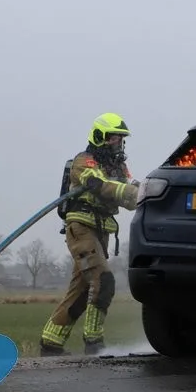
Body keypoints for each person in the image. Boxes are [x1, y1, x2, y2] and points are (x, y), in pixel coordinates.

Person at [39, 112, 141, 357]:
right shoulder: (84, 161)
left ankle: (51, 343)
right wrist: (136, 193)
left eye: (121, 138)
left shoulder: (119, 167)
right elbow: (100, 185)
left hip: (102, 231)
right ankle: (94, 343)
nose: (118, 142)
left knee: (82, 289)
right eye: (114, 138)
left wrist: (153, 193)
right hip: (81, 228)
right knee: (103, 281)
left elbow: (129, 197)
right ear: (99, 137)